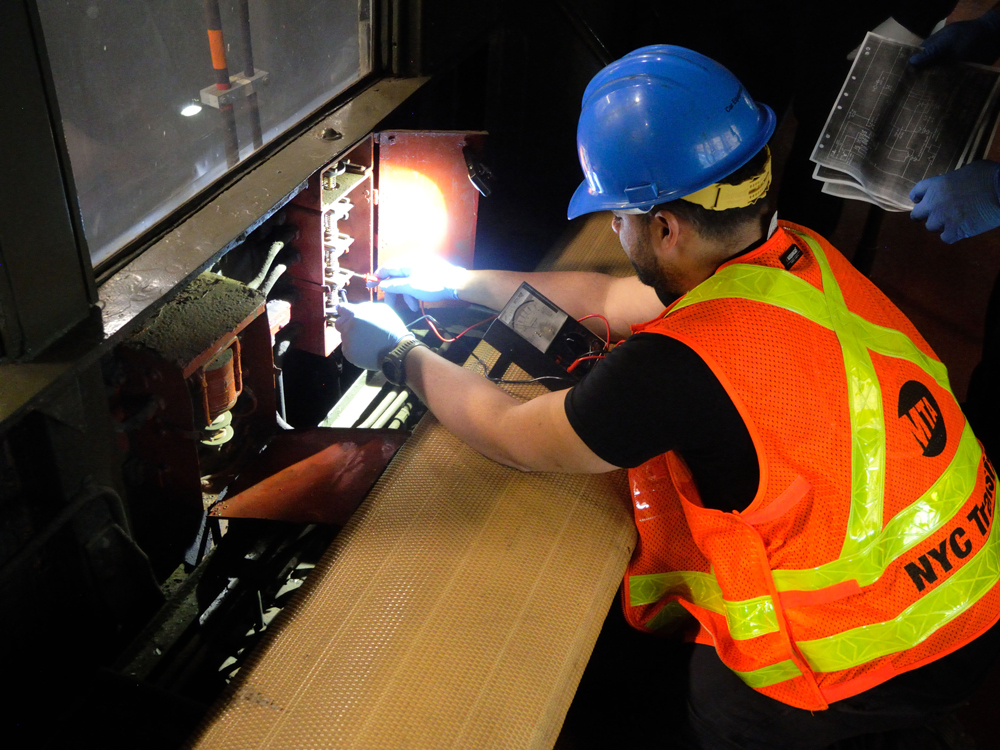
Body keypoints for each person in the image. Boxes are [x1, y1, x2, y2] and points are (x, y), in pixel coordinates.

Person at [336, 46, 1000, 748]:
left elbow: (511, 432)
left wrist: (398, 357)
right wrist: (455, 280)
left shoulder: (675, 367)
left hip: (879, 648)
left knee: (719, 701)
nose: (613, 234)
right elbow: (600, 297)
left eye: (616, 218)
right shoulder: (795, 258)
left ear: (663, 227)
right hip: (975, 592)